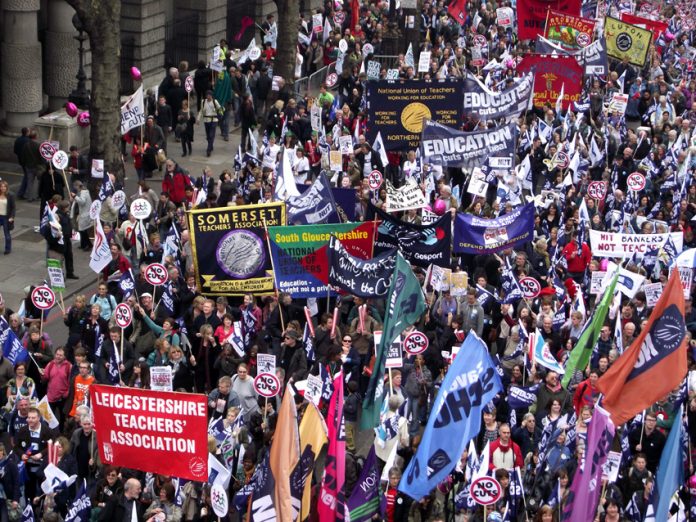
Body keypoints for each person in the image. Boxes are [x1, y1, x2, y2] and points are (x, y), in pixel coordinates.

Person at [43, 199, 79, 279]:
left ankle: (70, 272)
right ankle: (60, 277)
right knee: (60, 259)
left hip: (67, 239)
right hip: (61, 240)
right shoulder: (58, 216)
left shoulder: (66, 214)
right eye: (67, 207)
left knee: (69, 256)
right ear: (64, 207)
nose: (69, 208)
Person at [197, 91, 222, 157]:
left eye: (209, 95)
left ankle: (208, 150)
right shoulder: (203, 102)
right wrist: (198, 118)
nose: (208, 96)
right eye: (207, 95)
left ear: (211, 96)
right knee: (208, 136)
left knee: (211, 135)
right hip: (206, 120)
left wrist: (220, 114)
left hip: (214, 120)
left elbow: (220, 109)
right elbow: (201, 111)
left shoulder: (215, 101)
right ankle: (211, 145)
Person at [0, 180, 16, 255]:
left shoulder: (11, 195)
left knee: (7, 235)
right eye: (1, 186)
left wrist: (12, 217)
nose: (3, 188)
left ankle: (8, 249)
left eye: (4, 186)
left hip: (6, 217)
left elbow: (13, 207)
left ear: (7, 187)